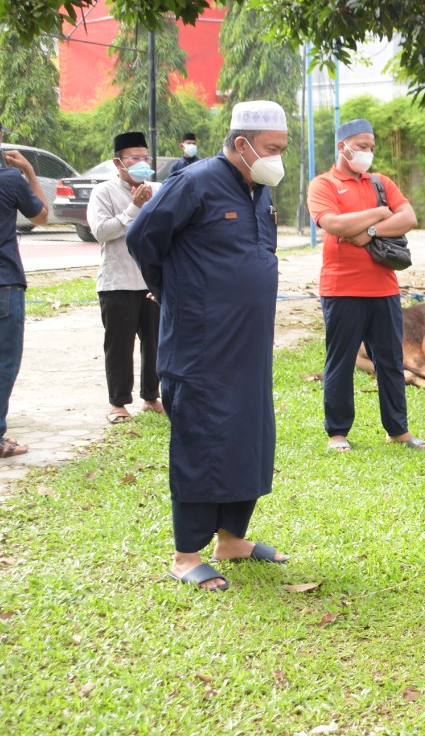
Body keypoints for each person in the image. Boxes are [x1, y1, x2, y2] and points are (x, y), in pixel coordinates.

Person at [126, 100, 291, 591]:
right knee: (203, 438)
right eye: (271, 149)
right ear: (241, 144)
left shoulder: (257, 187)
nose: (277, 159)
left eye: (282, 149)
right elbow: (142, 238)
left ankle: (231, 538)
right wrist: (174, 289)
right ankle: (185, 554)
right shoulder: (194, 182)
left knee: (247, 438)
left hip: (249, 346)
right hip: (201, 343)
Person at [306, 118, 425, 452]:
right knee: (341, 361)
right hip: (341, 288)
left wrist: (367, 231)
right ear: (342, 146)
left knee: (390, 360)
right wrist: (380, 214)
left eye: (371, 147)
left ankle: (398, 430)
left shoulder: (380, 182)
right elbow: (333, 223)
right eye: (361, 146)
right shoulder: (323, 185)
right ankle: (338, 433)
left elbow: (409, 218)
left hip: (384, 288)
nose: (367, 153)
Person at [87, 131, 163, 424]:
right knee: (119, 346)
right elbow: (102, 231)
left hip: (152, 280)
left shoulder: (157, 188)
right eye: (135, 158)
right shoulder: (103, 192)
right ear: (118, 162)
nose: (142, 163)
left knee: (155, 342)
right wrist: (134, 208)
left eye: (145, 157)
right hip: (117, 281)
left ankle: (151, 397)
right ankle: (118, 403)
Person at [0, 141, 49, 459]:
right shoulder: (10, 179)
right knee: (4, 364)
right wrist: (28, 170)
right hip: (5, 285)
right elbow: (42, 217)